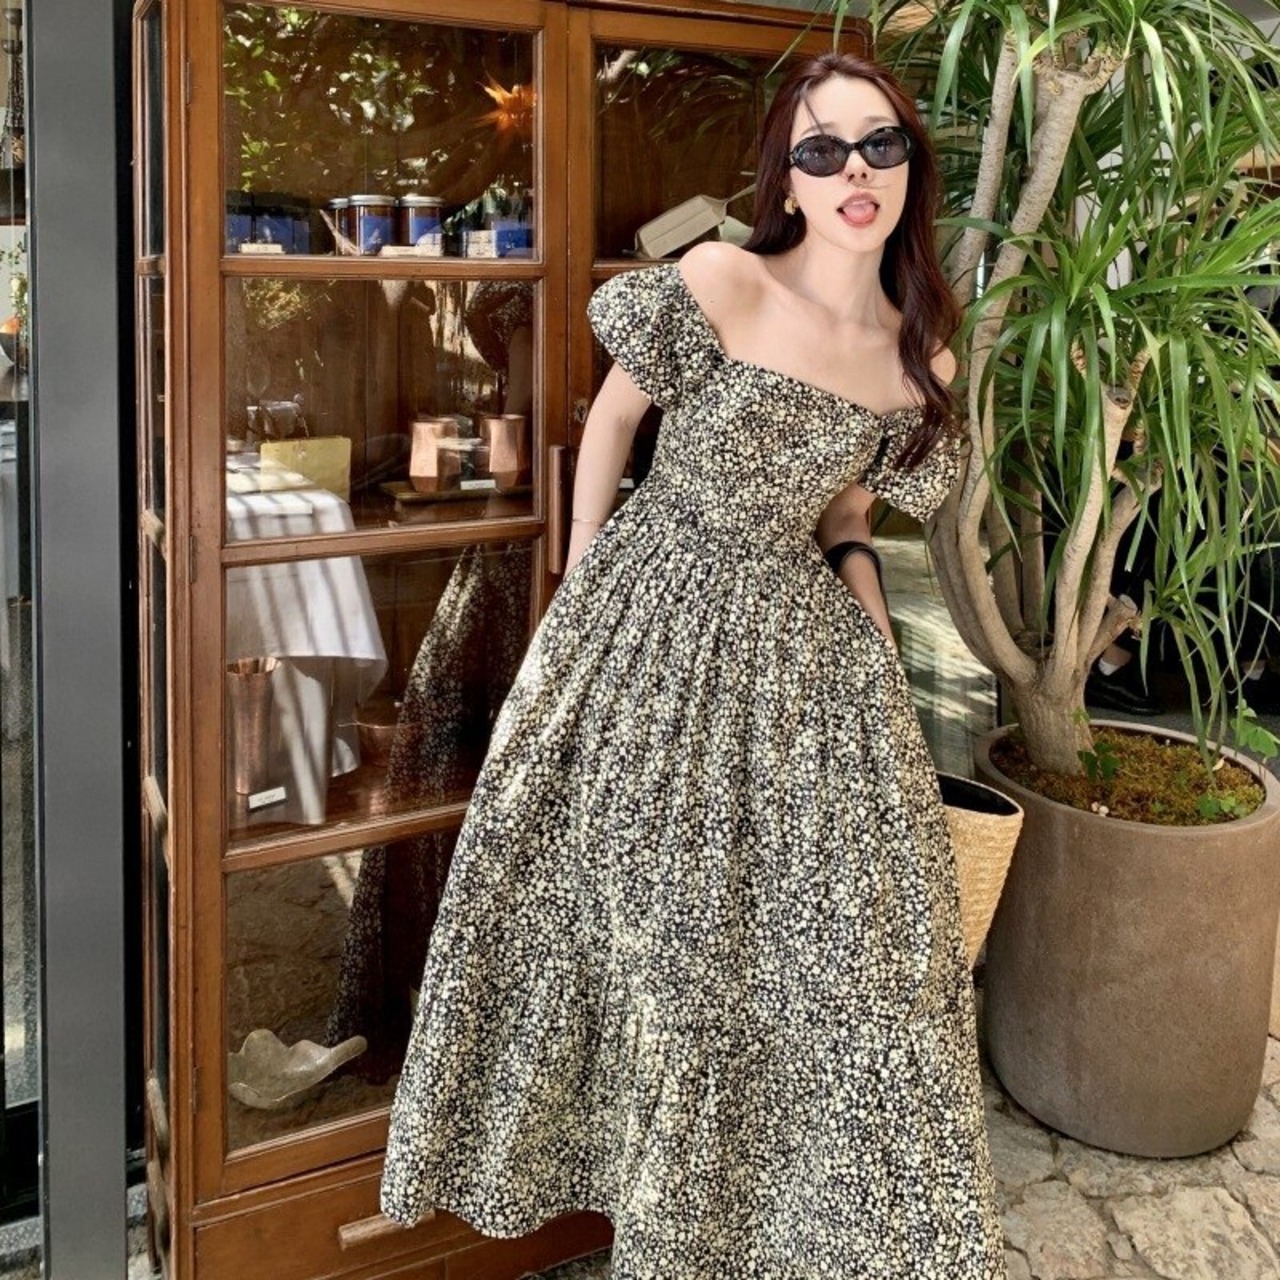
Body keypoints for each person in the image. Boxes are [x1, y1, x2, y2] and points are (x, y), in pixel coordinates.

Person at [380, 50, 1006, 1278]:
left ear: (909, 164)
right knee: (641, 930)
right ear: (788, 175)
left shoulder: (918, 351)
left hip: (799, 648)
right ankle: (646, 1202)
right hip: (649, 607)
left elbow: (844, 511)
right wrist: (578, 583)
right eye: (821, 150)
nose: (853, 172)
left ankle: (782, 1227)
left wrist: (872, 627)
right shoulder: (722, 276)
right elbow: (614, 420)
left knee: (843, 949)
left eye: (877, 144)